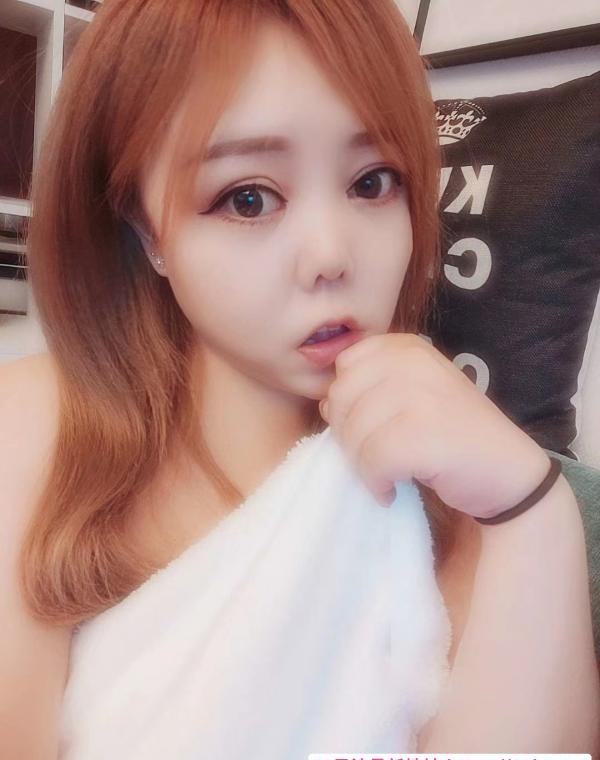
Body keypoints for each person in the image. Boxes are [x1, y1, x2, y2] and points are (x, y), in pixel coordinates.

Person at [0, 0, 598, 757]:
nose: (331, 255)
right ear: (146, 231)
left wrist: (535, 516)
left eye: (373, 183)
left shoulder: (462, 502)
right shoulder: (38, 430)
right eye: (248, 198)